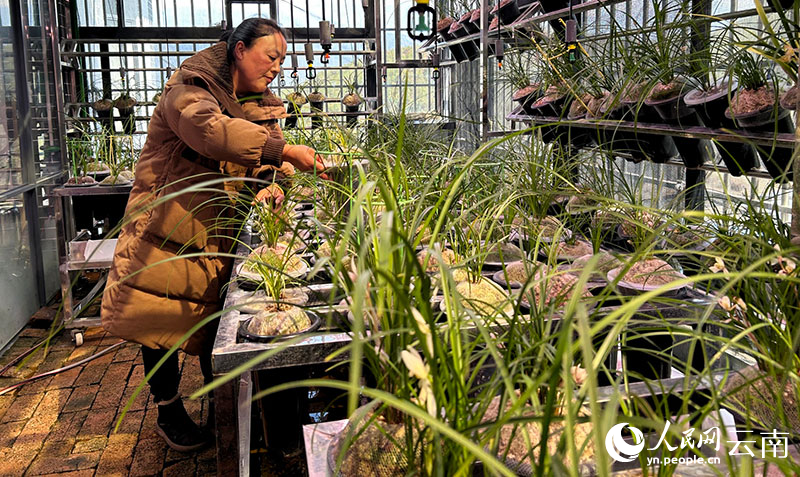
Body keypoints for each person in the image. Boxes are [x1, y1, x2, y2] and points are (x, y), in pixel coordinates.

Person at [100, 18, 326, 452]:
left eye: (282, 60)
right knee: (156, 316)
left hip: (214, 224)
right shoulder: (190, 86)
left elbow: (255, 156)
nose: (277, 67)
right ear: (239, 50)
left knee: (211, 319)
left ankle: (226, 407)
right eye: (271, 56)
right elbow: (211, 132)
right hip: (167, 222)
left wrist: (269, 180)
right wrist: (283, 152)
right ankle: (168, 411)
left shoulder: (257, 99)